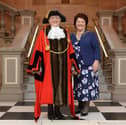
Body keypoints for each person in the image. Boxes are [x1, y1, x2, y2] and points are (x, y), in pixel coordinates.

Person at [27, 10, 79, 121]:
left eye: (57, 18)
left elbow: (70, 50)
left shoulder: (65, 32)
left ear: (60, 20)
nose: (55, 20)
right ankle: (50, 112)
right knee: (50, 89)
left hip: (64, 67)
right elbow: (38, 49)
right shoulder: (44, 32)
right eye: (52, 18)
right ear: (49, 21)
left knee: (61, 88)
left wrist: (74, 65)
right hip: (48, 67)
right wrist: (36, 66)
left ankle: (58, 112)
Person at [71, 13, 101, 116]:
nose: (80, 23)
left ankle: (86, 107)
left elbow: (97, 48)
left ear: (85, 24)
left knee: (87, 86)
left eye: (82, 22)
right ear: (75, 23)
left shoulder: (91, 35)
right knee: (78, 86)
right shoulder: (72, 36)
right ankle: (79, 106)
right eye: (78, 22)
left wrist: (96, 61)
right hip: (76, 66)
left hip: (88, 64)